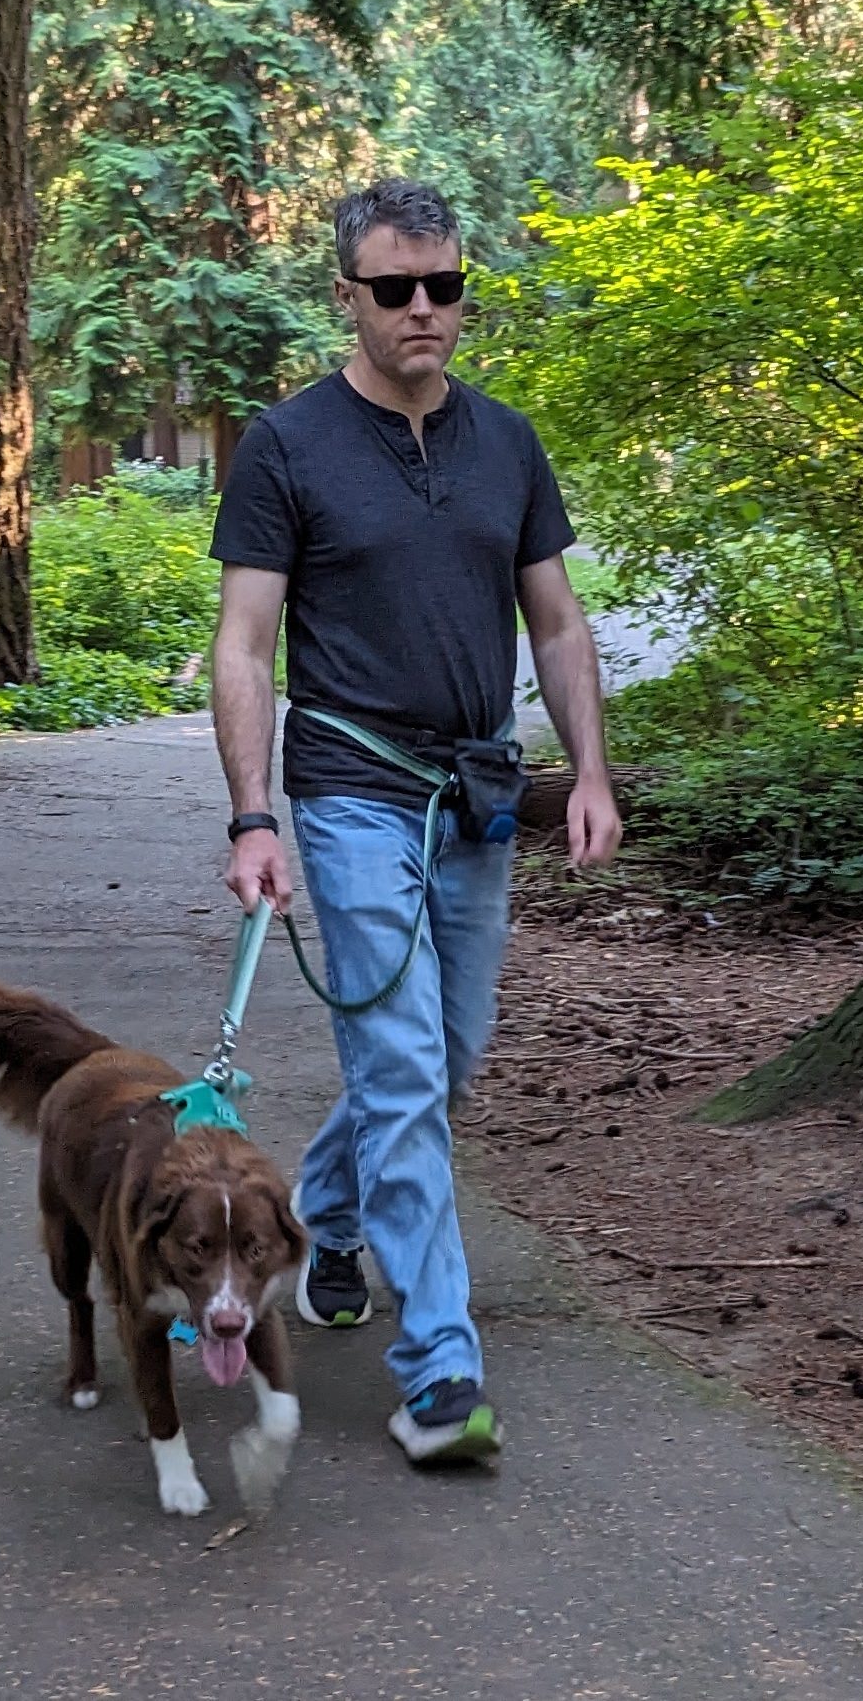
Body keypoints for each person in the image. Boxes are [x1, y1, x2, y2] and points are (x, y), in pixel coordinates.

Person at [209, 177, 621, 1467]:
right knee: (399, 1072)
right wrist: (252, 816)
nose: (424, 311)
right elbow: (245, 643)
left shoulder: (509, 441)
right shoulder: (287, 445)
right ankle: (441, 1367)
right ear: (349, 296)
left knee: (443, 1061)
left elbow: (555, 622)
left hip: (481, 794)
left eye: (444, 287)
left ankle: (324, 1211)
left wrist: (592, 775)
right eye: (396, 289)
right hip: (351, 790)